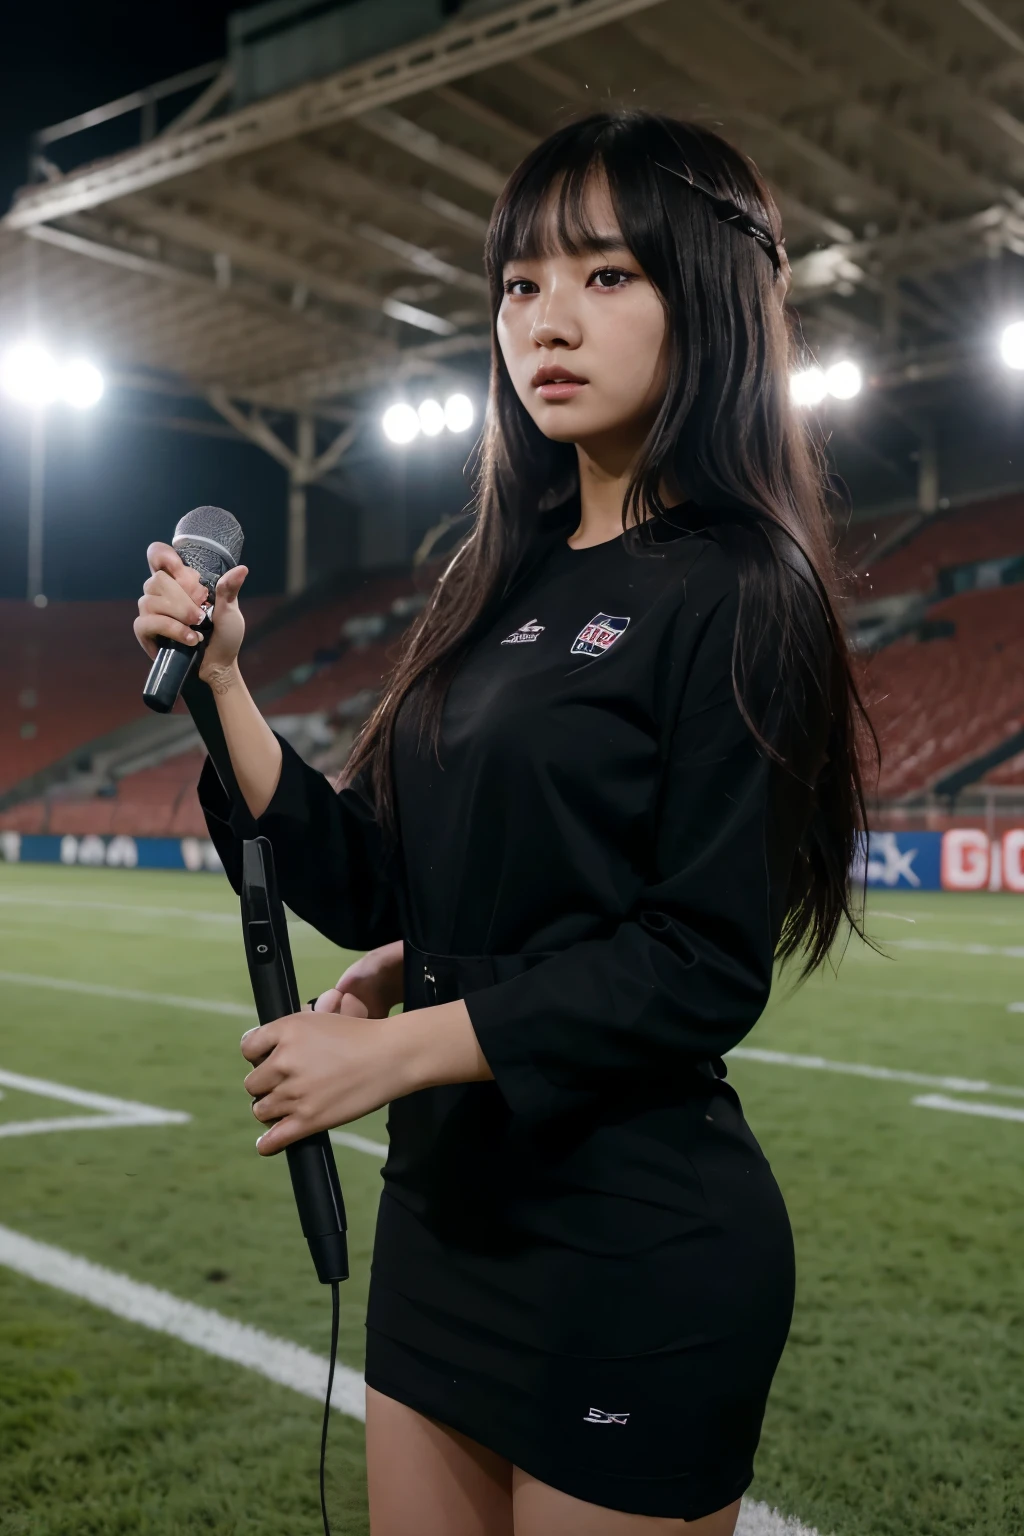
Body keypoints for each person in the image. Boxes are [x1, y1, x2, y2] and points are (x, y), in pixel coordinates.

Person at [134, 111, 870, 1536]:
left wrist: (396, 1050)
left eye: (607, 277)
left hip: (632, 1252)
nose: (549, 320)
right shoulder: (499, 577)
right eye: (521, 284)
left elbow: (696, 962)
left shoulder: (740, 584)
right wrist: (223, 687)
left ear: (708, 297)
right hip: (443, 1235)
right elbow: (371, 877)